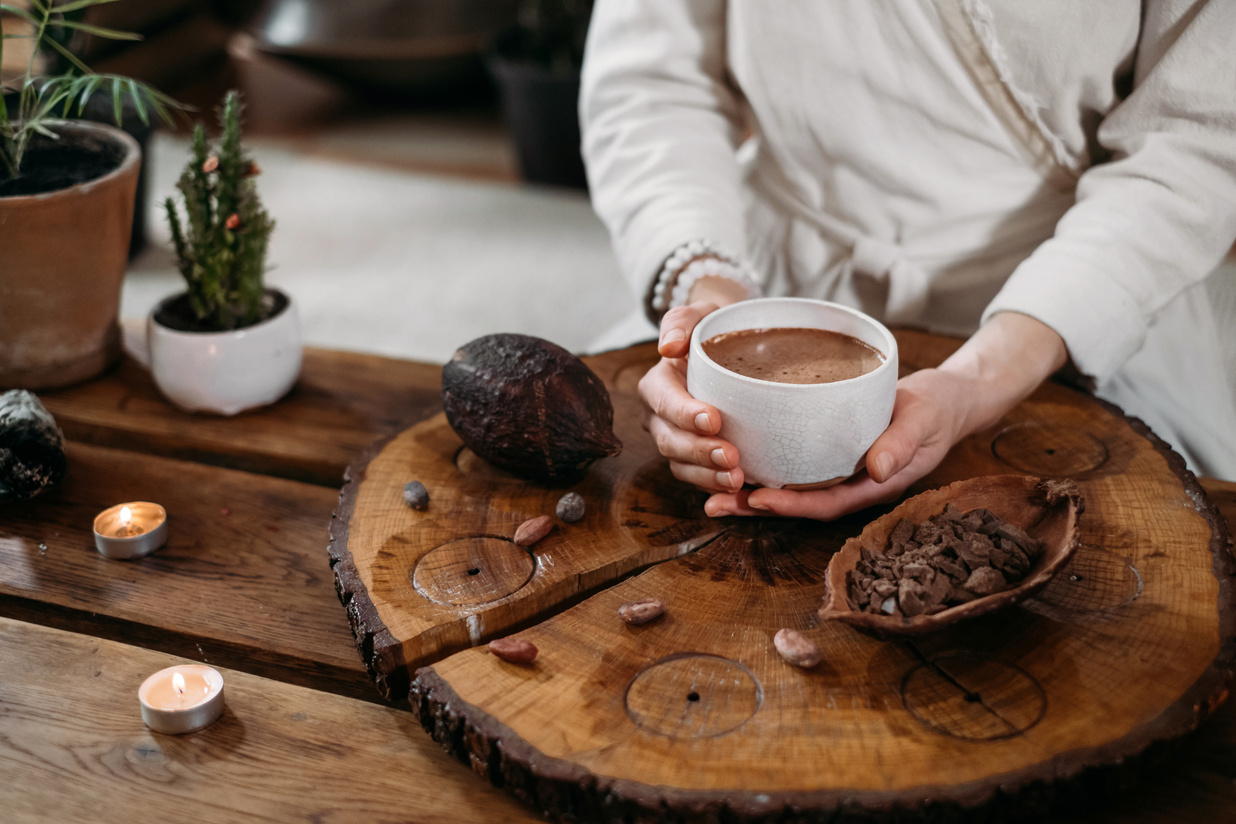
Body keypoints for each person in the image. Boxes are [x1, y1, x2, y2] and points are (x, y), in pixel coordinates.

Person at [579, 1, 1236, 520]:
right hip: (769, 266)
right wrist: (709, 297)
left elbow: (1195, 140)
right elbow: (653, 81)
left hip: (1071, 292)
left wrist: (978, 382)